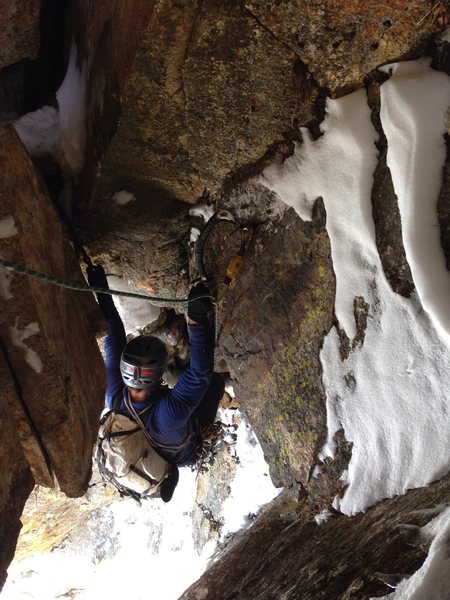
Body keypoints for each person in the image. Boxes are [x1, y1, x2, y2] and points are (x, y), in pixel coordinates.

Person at [87, 265, 225, 497]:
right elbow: (199, 373)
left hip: (153, 440)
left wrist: (100, 290)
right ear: (159, 378)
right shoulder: (167, 417)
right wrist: (196, 318)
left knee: (194, 390)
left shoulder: (115, 394)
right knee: (214, 382)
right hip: (181, 451)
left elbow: (113, 338)